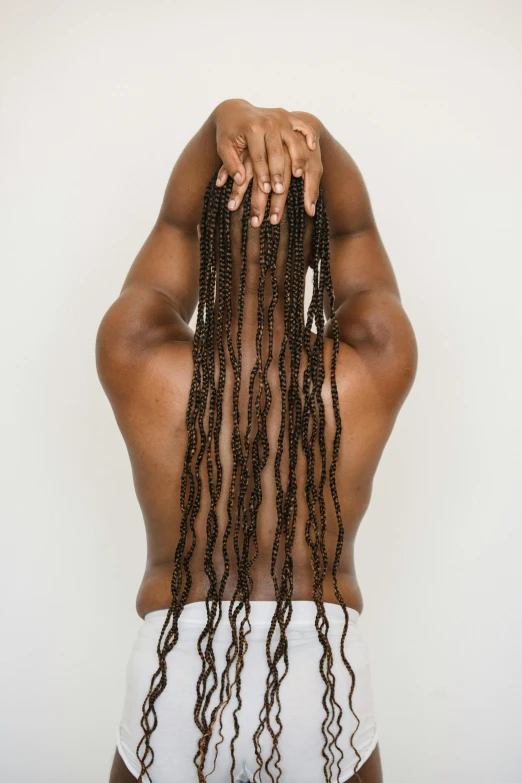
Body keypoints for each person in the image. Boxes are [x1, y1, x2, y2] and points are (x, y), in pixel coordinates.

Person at [96, 98, 417, 783]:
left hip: (177, 679)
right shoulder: (370, 366)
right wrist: (316, 140)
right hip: (320, 680)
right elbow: (358, 230)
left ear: (206, 242)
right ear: (316, 247)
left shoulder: (138, 356)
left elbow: (171, 223)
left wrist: (223, 119)